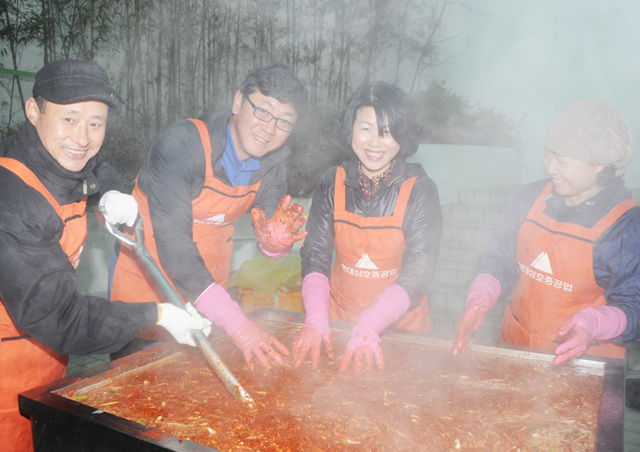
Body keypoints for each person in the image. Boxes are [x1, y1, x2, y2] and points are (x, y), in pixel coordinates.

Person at [0, 60, 211, 452]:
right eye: (69, 119)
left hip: (43, 363)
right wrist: (158, 315)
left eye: (95, 123)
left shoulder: (56, 158)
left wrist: (112, 192)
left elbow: (98, 167)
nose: (82, 137)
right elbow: (62, 318)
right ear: (33, 112)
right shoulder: (11, 201)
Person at [110, 63, 309, 370]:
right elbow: (174, 246)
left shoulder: (272, 166)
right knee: (138, 388)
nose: (269, 129)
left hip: (208, 298)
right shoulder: (181, 146)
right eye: (263, 112)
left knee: (193, 392)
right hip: (147, 289)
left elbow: (269, 234)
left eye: (284, 121)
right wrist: (237, 324)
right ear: (238, 102)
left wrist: (276, 244)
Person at [451, 99, 640, 365]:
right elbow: (499, 257)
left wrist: (593, 322)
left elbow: (634, 304)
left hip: (584, 365)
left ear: (599, 164)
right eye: (548, 154)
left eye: (562, 160)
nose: (550, 167)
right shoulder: (530, 197)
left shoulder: (626, 224)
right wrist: (479, 298)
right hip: (514, 348)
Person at [291, 81, 443, 374]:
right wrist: (316, 319)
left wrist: (370, 324)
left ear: (403, 137)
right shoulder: (331, 182)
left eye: (387, 132)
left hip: (402, 330)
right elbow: (315, 255)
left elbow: (422, 267)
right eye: (366, 128)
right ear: (351, 130)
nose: (375, 141)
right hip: (337, 323)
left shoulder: (420, 189)